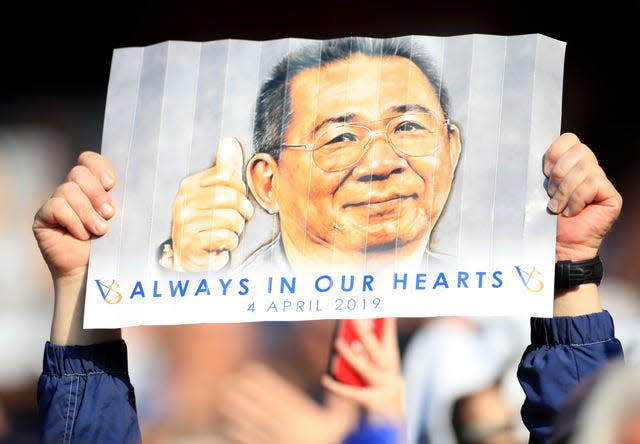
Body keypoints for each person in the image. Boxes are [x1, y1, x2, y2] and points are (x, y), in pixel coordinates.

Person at [33, 131, 624, 443]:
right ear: (266, 184)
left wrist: (568, 266)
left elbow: (587, 432)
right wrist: (84, 285)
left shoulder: (440, 362)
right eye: (336, 142)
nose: (375, 170)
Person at [162, 37, 461, 273]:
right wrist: (187, 275)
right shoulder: (230, 314)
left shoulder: (482, 311)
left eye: (408, 127)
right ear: (268, 183)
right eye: (341, 138)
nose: (382, 163)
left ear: (452, 148)